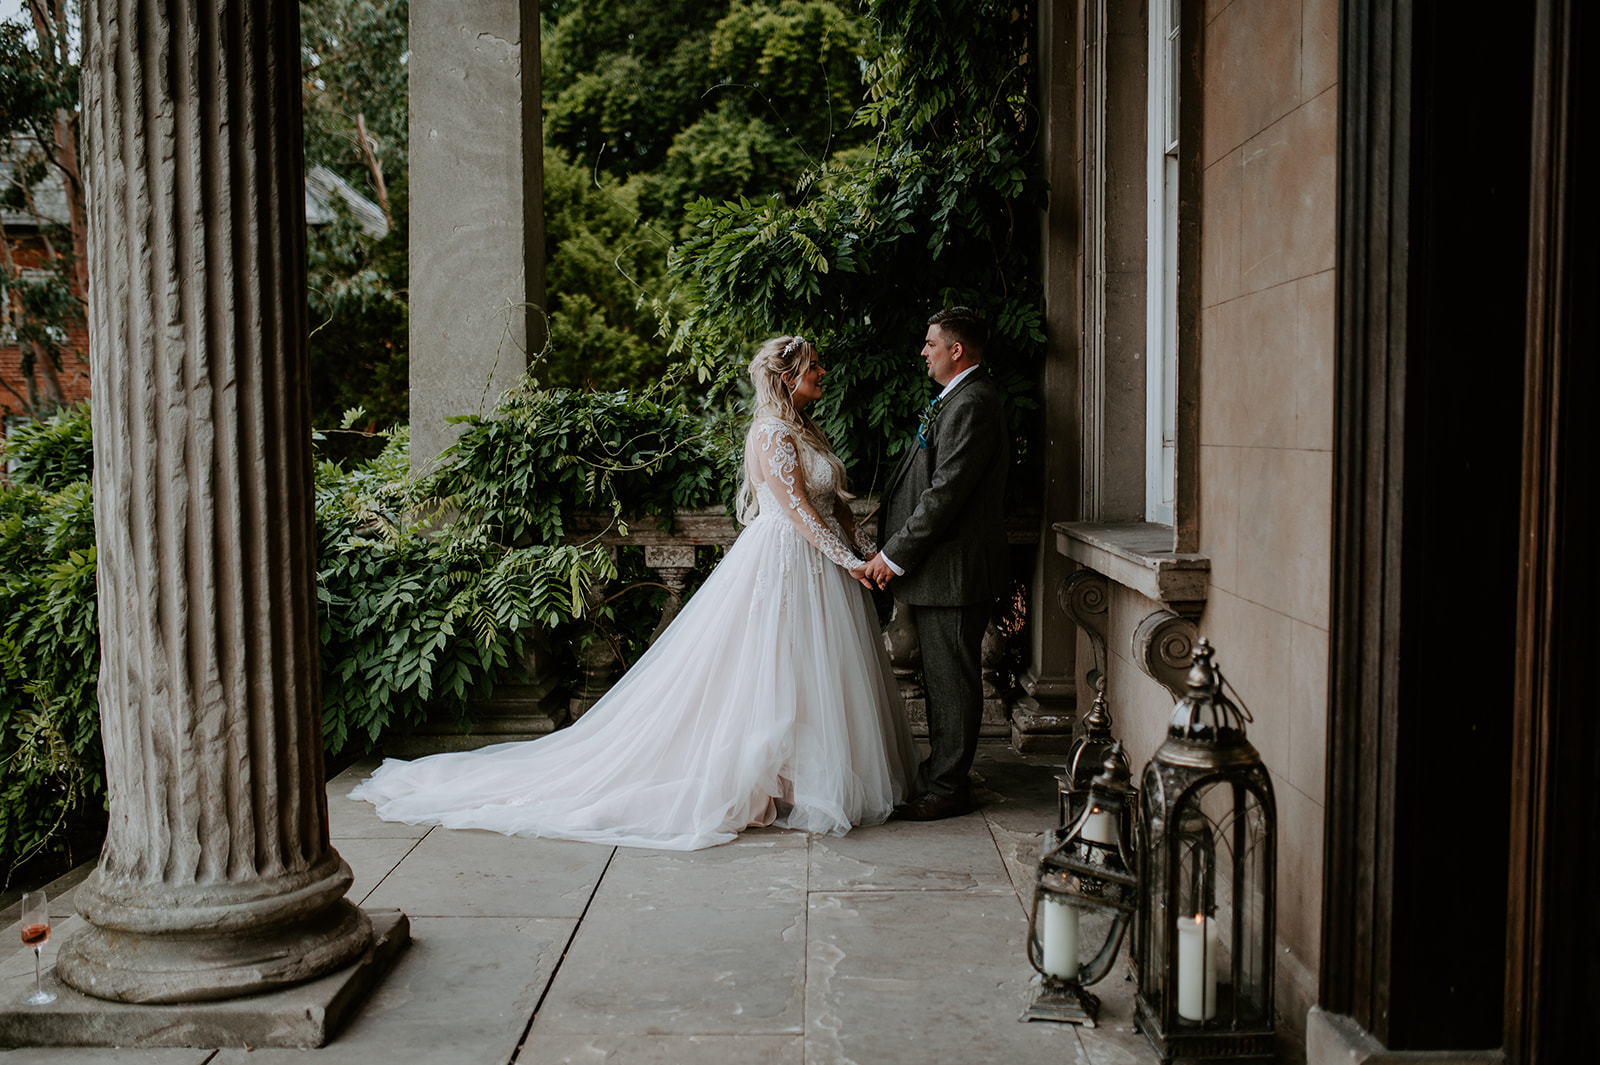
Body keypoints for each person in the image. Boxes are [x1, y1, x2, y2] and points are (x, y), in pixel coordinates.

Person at [351, 336, 918, 850]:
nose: (823, 372)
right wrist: (849, 561)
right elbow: (794, 509)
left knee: (813, 672)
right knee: (771, 669)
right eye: (814, 366)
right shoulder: (769, 433)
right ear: (788, 376)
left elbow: (831, 503)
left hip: (822, 567)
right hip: (788, 562)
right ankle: (768, 777)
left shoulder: (805, 428)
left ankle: (804, 775)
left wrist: (863, 550)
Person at [860, 307, 1009, 821]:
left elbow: (946, 493)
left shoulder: (973, 403)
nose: (923, 351)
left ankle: (947, 787)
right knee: (943, 677)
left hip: (954, 570)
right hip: (940, 569)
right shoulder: (958, 398)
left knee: (952, 678)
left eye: (930, 344)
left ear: (956, 350)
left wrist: (895, 554)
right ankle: (941, 773)